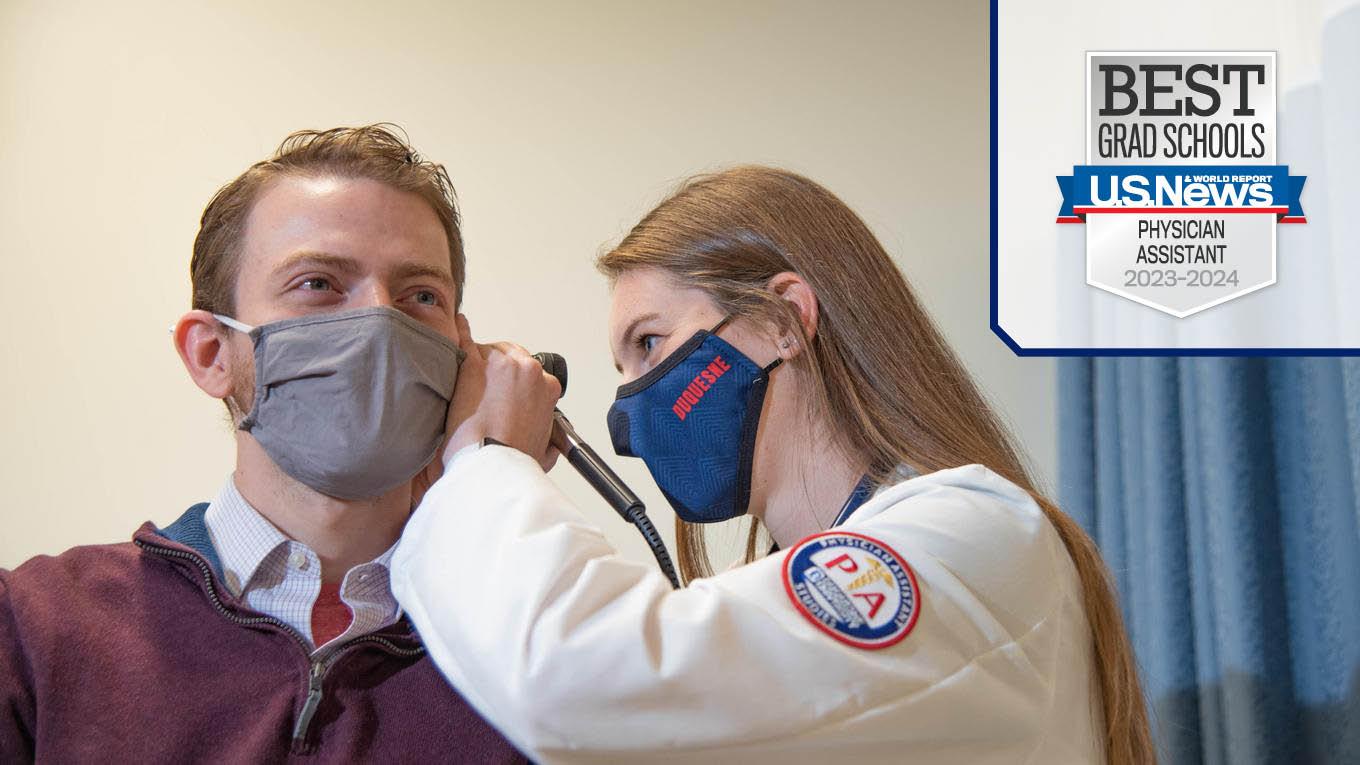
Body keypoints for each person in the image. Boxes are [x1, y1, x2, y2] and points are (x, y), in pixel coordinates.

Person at [391, 166, 1157, 763]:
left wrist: (486, 457)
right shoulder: (775, 611)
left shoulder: (973, 535)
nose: (627, 413)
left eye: (650, 344)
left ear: (782, 320)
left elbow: (578, 672)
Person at [0, 125, 528, 761]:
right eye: (318, 284)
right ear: (211, 353)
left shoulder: (534, 651)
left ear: (463, 353)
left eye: (421, 296)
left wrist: (498, 483)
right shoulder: (37, 629)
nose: (381, 322)